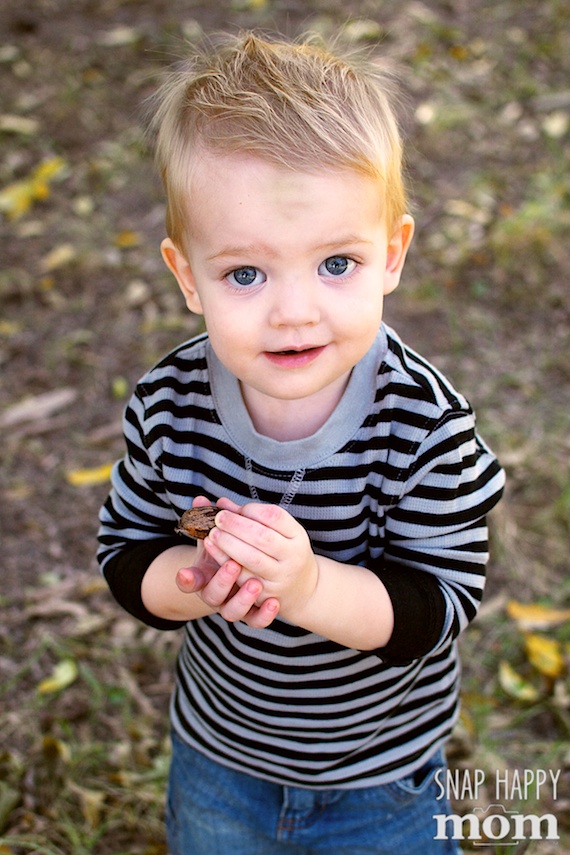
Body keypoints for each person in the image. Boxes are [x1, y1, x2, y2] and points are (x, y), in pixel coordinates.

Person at [97, 31, 505, 855]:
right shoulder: (169, 404)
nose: (293, 311)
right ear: (188, 277)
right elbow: (125, 556)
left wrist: (310, 584)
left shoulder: (425, 424)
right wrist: (195, 579)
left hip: (383, 775)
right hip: (220, 760)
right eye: (246, 274)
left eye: (336, 264)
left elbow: (437, 608)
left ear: (391, 254)